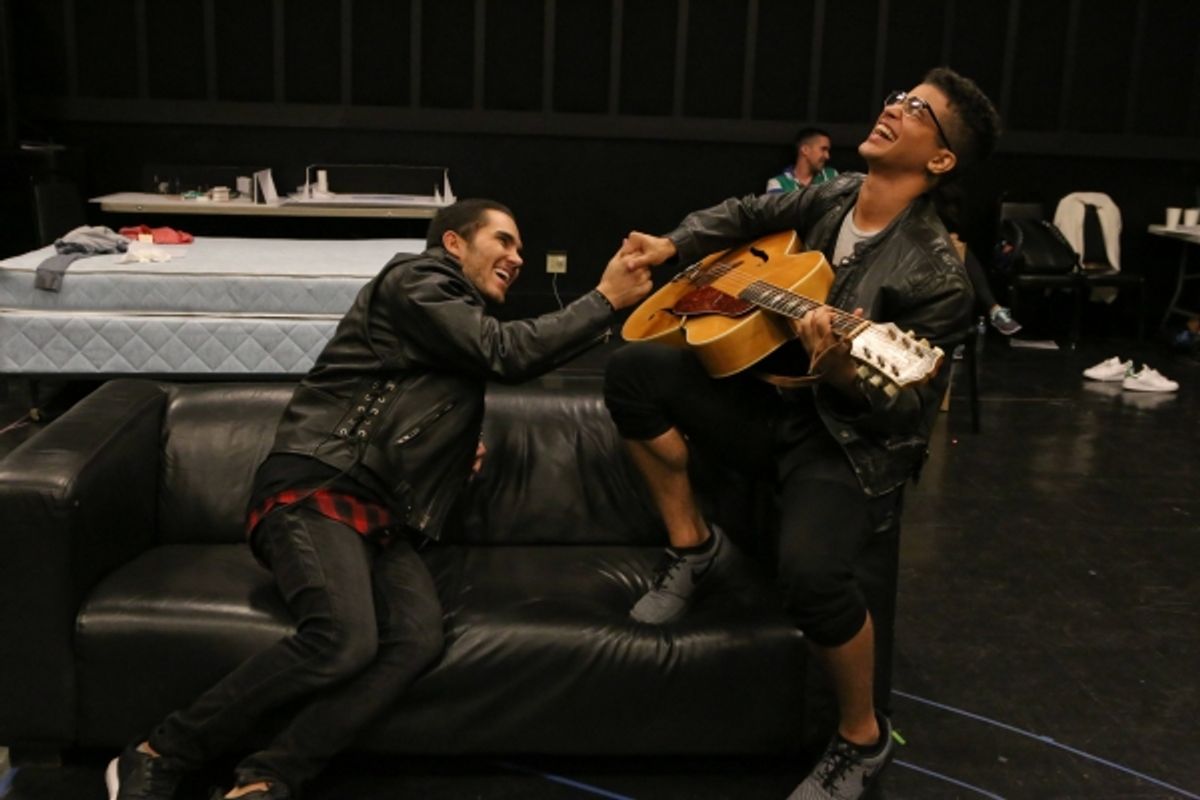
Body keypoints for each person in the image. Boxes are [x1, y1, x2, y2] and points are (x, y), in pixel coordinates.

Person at [105, 199, 652, 800]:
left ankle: (270, 774)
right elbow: (508, 353)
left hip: (379, 516)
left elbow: (415, 401)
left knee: (415, 641)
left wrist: (450, 456)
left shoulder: (447, 329)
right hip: (319, 485)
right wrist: (603, 299)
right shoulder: (416, 280)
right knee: (342, 638)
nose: (517, 258)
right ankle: (160, 749)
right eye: (503, 241)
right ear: (453, 244)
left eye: (520, 248)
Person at [605, 67, 1000, 800]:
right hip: (771, 404)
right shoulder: (838, 191)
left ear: (940, 160)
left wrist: (843, 366)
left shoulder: (939, 276)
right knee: (633, 370)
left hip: (843, 440)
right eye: (897, 94)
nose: (893, 106)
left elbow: (906, 415)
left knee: (815, 578)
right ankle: (693, 547)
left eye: (917, 110)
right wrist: (675, 246)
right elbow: (750, 212)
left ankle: (862, 738)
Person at [766, 127, 837, 192]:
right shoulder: (777, 183)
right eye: (823, 149)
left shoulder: (832, 176)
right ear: (805, 150)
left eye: (828, 151)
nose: (827, 156)